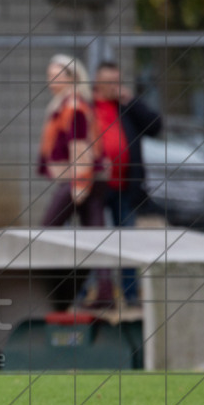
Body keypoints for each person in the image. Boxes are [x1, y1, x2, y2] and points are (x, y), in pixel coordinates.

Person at [37, 54, 115, 308]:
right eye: (49, 75)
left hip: (80, 179)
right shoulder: (68, 105)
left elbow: (80, 147)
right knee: (95, 236)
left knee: (44, 234)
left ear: (72, 77)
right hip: (85, 178)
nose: (51, 80)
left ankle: (52, 294)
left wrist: (79, 184)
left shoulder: (73, 107)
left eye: (56, 75)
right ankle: (104, 292)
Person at [93, 60, 162, 305]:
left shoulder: (126, 108)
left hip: (125, 188)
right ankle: (96, 293)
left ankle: (130, 295)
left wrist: (132, 101)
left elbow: (155, 126)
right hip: (97, 189)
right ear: (97, 83)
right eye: (109, 82)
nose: (114, 87)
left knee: (127, 241)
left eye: (117, 82)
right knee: (95, 242)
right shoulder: (89, 106)